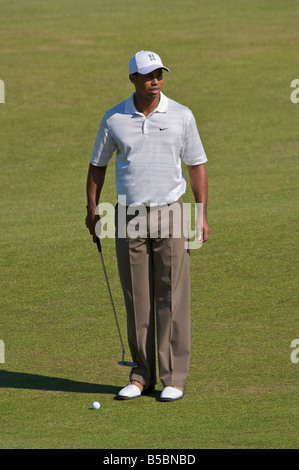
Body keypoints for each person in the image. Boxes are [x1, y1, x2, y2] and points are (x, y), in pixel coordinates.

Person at [85, 50, 209, 402]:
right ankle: (141, 374)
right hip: (127, 216)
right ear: (133, 80)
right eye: (149, 76)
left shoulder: (182, 116)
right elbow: (98, 165)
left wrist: (201, 213)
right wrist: (92, 210)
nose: (156, 81)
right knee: (137, 297)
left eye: (160, 75)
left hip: (171, 211)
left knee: (171, 295)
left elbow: (196, 164)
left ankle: (174, 376)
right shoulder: (114, 119)